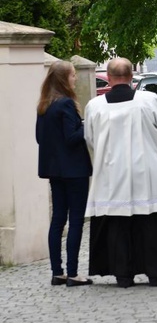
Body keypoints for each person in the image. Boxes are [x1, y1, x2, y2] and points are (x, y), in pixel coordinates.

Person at [84, 58, 157, 288]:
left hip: (112, 172)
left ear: (109, 75)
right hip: (148, 169)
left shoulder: (94, 106)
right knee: (153, 221)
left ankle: (122, 275)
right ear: (130, 77)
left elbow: (90, 139)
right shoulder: (149, 101)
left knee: (117, 224)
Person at [36, 61, 93, 287]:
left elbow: (40, 139)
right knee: (76, 220)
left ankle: (57, 272)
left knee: (58, 219)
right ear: (63, 79)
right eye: (72, 75)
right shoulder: (67, 104)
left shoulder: (44, 105)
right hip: (75, 170)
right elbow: (71, 137)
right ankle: (73, 273)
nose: (75, 79)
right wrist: (86, 125)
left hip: (54, 170)